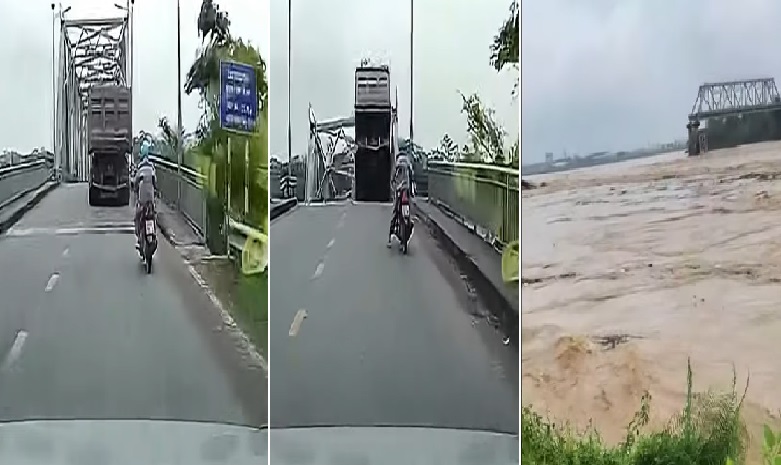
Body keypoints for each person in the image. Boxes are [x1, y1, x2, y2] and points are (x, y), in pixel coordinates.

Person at [387, 152, 415, 246]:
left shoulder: (398, 164)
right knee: (409, 212)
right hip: (407, 189)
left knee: (395, 212)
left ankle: (390, 237)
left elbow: (392, 179)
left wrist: (393, 187)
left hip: (399, 189)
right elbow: (412, 178)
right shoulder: (408, 165)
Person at [134, 141, 157, 250]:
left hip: (142, 199)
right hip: (151, 199)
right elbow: (155, 183)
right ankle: (154, 233)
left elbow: (135, 183)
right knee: (153, 215)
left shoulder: (140, 168)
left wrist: (135, 191)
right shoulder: (152, 167)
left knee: (138, 216)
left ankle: (139, 239)